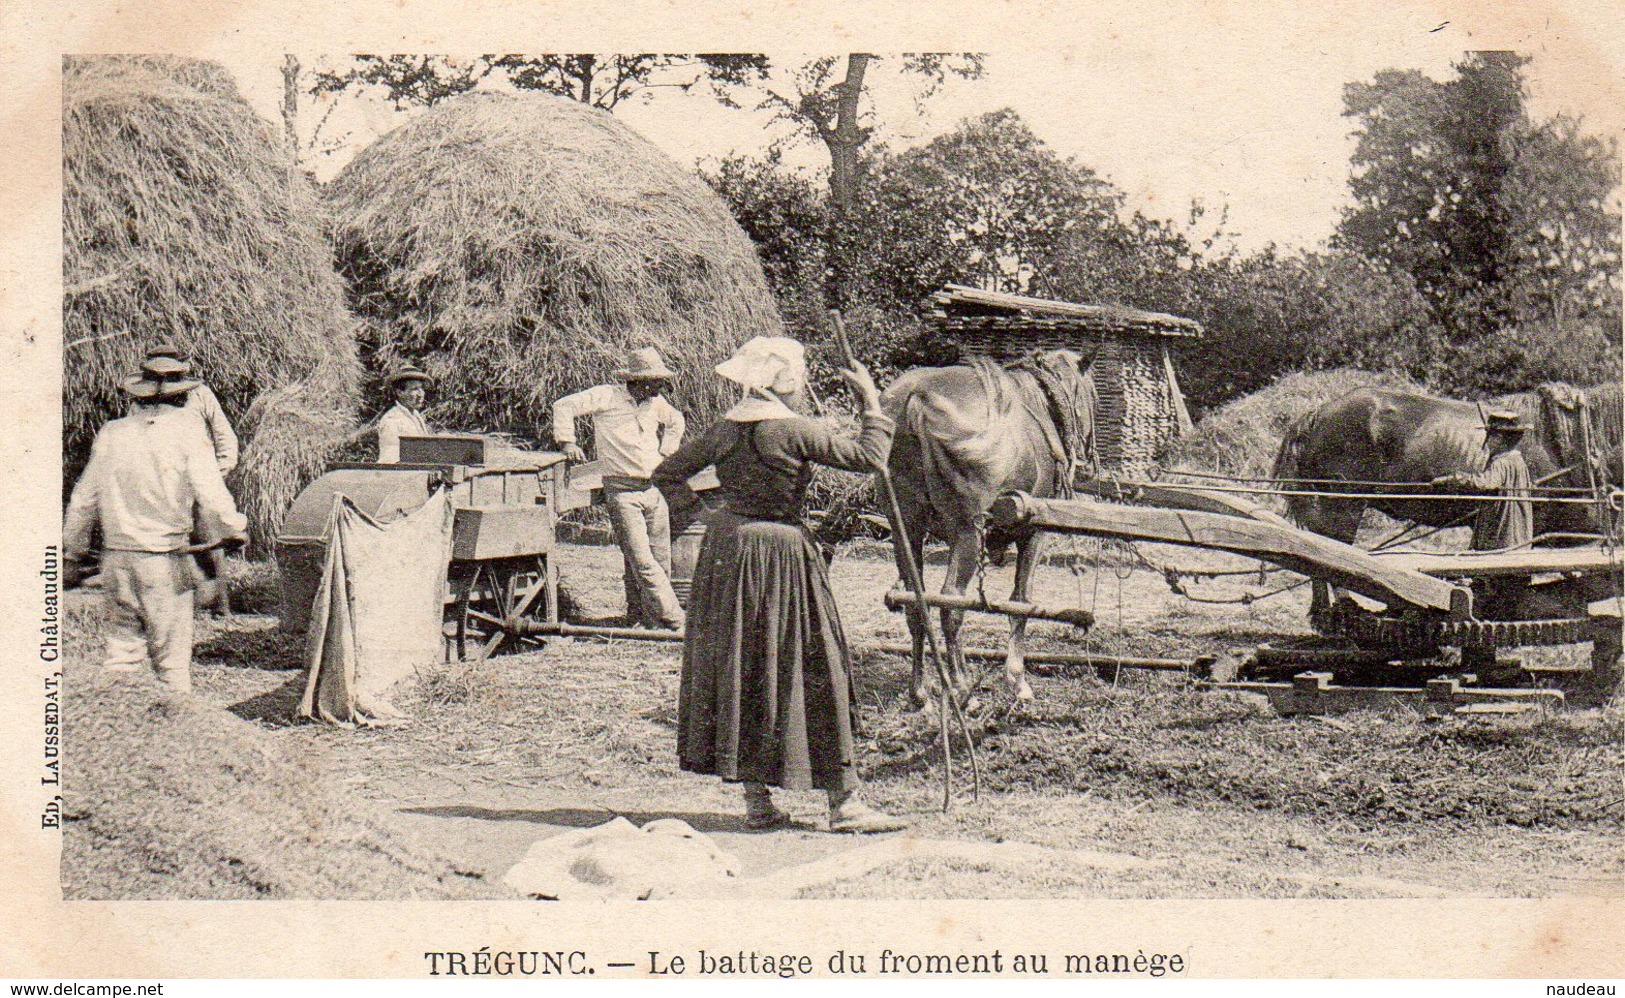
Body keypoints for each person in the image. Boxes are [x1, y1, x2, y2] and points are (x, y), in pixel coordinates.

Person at [653, 336, 907, 834]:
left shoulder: (725, 431)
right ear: (783, 381)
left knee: (744, 661)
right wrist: (871, 400)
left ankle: (757, 802)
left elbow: (667, 473)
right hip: (782, 554)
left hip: (729, 552)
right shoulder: (791, 430)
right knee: (814, 659)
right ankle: (845, 804)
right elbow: (871, 457)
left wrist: (708, 517)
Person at [64, 364, 248, 698]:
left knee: (122, 657)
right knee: (171, 662)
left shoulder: (112, 433)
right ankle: (173, 734)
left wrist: (72, 555)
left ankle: (117, 730)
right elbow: (211, 492)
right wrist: (236, 528)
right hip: (165, 560)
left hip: (117, 559)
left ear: (137, 396)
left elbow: (82, 501)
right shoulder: (188, 433)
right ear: (182, 397)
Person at [553, 347, 687, 631]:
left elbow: (677, 422)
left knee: (661, 561)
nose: (661, 385)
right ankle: (677, 621)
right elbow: (563, 406)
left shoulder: (655, 403)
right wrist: (568, 442)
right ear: (639, 381)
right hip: (622, 491)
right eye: (656, 380)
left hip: (653, 489)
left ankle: (644, 620)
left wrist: (667, 450)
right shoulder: (607, 396)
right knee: (642, 561)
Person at [1433, 410, 1534, 552]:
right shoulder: (1518, 461)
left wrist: (1454, 479)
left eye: (1490, 437)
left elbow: (1485, 482)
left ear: (1499, 439)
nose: (1487, 442)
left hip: (1503, 531)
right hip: (1517, 530)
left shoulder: (1501, 462)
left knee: (1496, 561)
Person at [144, 343, 238, 475]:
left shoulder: (200, 394)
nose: (164, 379)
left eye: (168, 374)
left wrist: (217, 474)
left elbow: (224, 435)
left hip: (199, 475)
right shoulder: (140, 403)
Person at [376, 365, 434, 464]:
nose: (421, 394)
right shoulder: (392, 420)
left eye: (421, 389)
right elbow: (390, 460)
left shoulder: (415, 416)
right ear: (399, 392)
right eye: (415, 389)